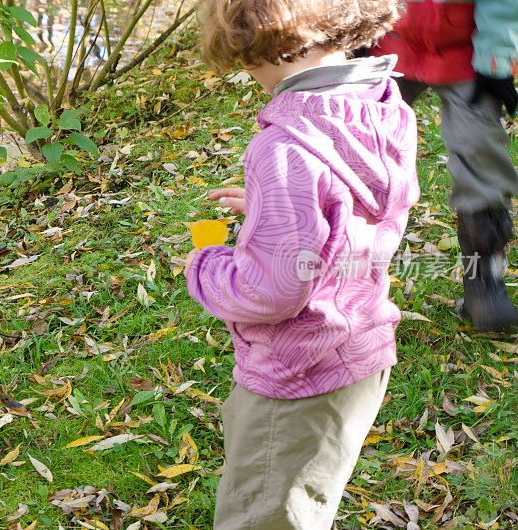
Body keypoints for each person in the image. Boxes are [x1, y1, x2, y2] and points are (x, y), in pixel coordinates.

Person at [185, 0, 420, 527]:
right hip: (361, 351)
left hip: (298, 374)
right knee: (306, 499)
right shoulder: (380, 102)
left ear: (261, 47)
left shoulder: (284, 148)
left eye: (246, 62)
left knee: (264, 513)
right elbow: (369, 199)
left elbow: (271, 290)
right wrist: (278, 207)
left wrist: (205, 265)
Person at [371, 1, 518, 331]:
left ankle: (485, 282)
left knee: (481, 154)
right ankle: (336, 267)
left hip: (466, 51)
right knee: (358, 146)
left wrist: (495, 60)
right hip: (386, 41)